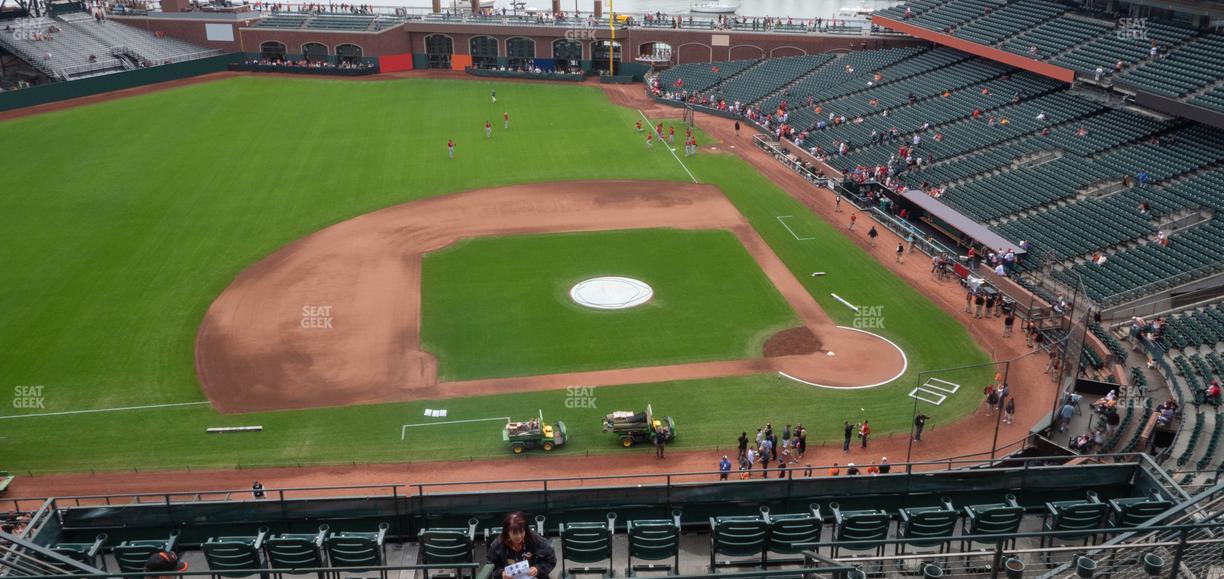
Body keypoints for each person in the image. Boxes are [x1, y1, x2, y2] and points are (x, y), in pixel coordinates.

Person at [486, 512, 557, 579]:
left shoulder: (535, 540)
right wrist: (501, 573)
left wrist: (537, 569)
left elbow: (551, 559)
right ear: (507, 532)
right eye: (515, 533)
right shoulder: (498, 545)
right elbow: (490, 566)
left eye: (522, 532)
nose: (519, 536)